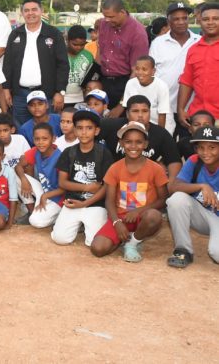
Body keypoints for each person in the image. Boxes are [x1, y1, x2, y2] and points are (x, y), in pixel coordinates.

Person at [90, 121, 167, 262]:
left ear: (145, 144)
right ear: (121, 143)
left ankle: (132, 243)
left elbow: (162, 200)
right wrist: (117, 223)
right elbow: (109, 201)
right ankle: (125, 239)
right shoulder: (115, 168)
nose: (133, 146)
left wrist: (138, 211)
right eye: (128, 142)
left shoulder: (156, 169)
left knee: (154, 216)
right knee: (98, 249)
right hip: (121, 217)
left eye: (138, 142)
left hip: (142, 216)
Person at [51, 108, 113, 247]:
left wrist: (85, 203)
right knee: (60, 239)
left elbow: (106, 186)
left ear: (96, 131)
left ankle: (89, 223)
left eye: (89, 128)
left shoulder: (104, 153)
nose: (84, 132)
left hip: (95, 204)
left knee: (93, 242)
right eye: (79, 128)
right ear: (75, 130)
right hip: (73, 202)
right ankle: (78, 224)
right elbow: (62, 182)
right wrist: (86, 187)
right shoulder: (69, 152)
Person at [2, 0, 69, 126]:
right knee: (22, 132)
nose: (30, 13)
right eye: (26, 10)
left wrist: (60, 92)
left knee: (47, 133)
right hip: (20, 96)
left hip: (47, 95)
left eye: (34, 9)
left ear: (41, 11)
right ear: (22, 13)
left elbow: (63, 65)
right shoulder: (15, 34)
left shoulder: (53, 34)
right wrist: (6, 89)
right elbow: (8, 64)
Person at [99, 95, 182, 187]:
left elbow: (174, 160)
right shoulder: (111, 125)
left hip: (145, 182)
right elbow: (88, 132)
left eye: (145, 111)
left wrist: (171, 183)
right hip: (114, 178)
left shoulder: (161, 133)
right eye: (135, 111)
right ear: (127, 114)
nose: (140, 115)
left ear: (150, 113)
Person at [166, 125, 219, 268]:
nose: (206, 152)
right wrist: (201, 186)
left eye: (212, 147)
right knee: (176, 200)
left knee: (216, 253)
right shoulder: (195, 161)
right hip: (203, 216)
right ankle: (183, 250)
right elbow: (173, 187)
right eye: (201, 147)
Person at [150, 2, 199, 135]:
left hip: (190, 108)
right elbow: (151, 73)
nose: (181, 22)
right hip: (163, 107)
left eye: (184, 18)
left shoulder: (199, 42)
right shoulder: (158, 43)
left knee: (188, 146)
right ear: (169, 21)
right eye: (176, 19)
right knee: (165, 148)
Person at [97, 0, 149, 110]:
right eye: (105, 16)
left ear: (122, 12)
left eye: (111, 17)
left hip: (124, 84)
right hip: (103, 81)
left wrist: (122, 104)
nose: (107, 20)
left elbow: (137, 72)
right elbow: (99, 52)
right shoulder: (103, 24)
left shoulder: (138, 33)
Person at [178, 2, 219, 130]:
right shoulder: (193, 50)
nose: (210, 22)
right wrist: (180, 109)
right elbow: (187, 81)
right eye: (206, 19)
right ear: (200, 21)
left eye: (216, 19)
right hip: (198, 116)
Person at [18, 123, 63, 229]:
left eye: (45, 139)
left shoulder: (60, 157)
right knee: (15, 175)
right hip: (43, 190)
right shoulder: (35, 151)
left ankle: (60, 215)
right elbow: (18, 166)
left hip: (58, 197)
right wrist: (24, 180)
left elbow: (64, 188)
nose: (40, 142)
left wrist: (45, 196)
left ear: (53, 139)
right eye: (37, 139)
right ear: (33, 140)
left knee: (35, 221)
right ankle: (31, 209)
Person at [119, 55, 172, 130]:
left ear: (153, 71)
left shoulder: (162, 86)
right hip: (137, 124)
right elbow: (128, 110)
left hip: (159, 125)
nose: (140, 72)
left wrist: (160, 135)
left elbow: (162, 115)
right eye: (137, 69)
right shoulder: (130, 83)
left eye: (144, 69)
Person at [65, 25, 95, 107]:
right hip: (62, 98)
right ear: (67, 40)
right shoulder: (60, 54)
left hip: (81, 99)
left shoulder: (88, 56)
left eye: (82, 45)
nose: (78, 47)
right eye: (75, 44)